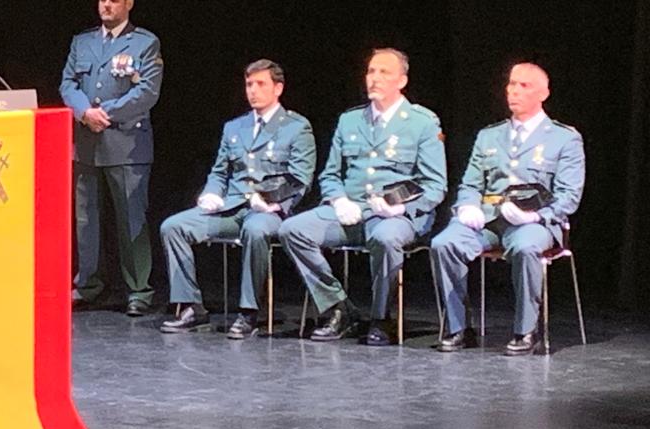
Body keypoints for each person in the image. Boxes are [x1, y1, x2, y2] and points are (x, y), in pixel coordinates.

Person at [278, 48, 447, 345]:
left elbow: (435, 185)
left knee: (385, 238)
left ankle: (381, 318)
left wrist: (402, 209)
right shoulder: (350, 121)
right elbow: (330, 174)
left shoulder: (422, 122)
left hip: (396, 216)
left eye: (384, 72)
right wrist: (338, 199)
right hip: (352, 209)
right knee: (292, 229)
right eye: (371, 71)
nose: (375, 78)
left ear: (402, 81)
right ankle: (338, 308)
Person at [431, 63, 585, 356]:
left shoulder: (564, 138)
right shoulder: (490, 136)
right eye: (512, 84)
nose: (514, 90)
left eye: (524, 86)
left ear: (544, 93)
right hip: (489, 221)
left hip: (534, 224)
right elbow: (471, 184)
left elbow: (569, 196)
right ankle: (458, 326)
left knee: (526, 247)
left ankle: (526, 329)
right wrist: (466, 206)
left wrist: (537, 215)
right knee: (444, 243)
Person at [159, 60, 316, 339]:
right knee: (174, 226)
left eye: (260, 84)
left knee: (255, 229)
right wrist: (211, 193)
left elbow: (299, 179)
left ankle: (249, 312)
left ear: (278, 88)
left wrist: (271, 201)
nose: (253, 91)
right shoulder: (235, 127)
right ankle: (192, 306)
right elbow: (220, 172)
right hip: (232, 207)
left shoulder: (295, 126)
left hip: (269, 210)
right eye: (249, 84)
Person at [59, 0, 164, 316]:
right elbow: (68, 83)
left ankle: (138, 290)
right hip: (88, 143)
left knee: (131, 219)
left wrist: (106, 113)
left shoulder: (144, 43)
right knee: (86, 219)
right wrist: (83, 112)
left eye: (113, 0)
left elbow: (147, 91)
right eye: (102, 0)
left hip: (127, 144)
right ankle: (88, 285)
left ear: (128, 4)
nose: (106, 5)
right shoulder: (83, 41)